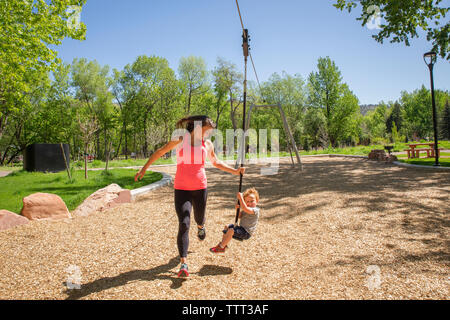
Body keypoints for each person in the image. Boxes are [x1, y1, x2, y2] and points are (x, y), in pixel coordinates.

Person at [134, 115, 245, 277]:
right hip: (181, 189)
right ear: (198, 128)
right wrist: (144, 168)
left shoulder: (207, 144)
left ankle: (201, 227)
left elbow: (216, 162)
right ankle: (183, 263)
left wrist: (235, 171)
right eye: (207, 131)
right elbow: (160, 151)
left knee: (199, 218)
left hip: (200, 188)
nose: (209, 135)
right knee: (184, 223)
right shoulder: (180, 139)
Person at [210, 188, 260, 253]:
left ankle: (221, 247)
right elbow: (239, 216)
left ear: (257, 201)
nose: (250, 203)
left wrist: (240, 198)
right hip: (241, 229)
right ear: (245, 202)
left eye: (252, 201)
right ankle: (223, 245)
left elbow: (245, 208)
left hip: (246, 232)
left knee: (231, 230)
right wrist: (237, 209)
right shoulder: (246, 210)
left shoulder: (255, 210)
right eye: (247, 201)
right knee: (227, 226)